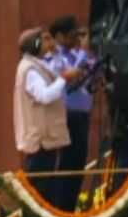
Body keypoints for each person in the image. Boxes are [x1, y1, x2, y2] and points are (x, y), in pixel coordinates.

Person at [14, 26, 81, 204]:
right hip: (40, 141)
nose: (50, 43)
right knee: (39, 192)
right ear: (35, 44)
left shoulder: (37, 64)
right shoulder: (30, 70)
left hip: (46, 140)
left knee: (47, 190)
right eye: (45, 39)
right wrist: (64, 78)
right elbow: (44, 96)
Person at [45, 16, 96, 211]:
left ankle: (70, 208)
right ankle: (59, 209)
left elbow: (91, 72)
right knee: (65, 168)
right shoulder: (54, 58)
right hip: (65, 117)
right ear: (59, 36)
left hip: (82, 117)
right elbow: (70, 78)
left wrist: (89, 53)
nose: (77, 39)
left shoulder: (77, 55)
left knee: (77, 168)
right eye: (73, 35)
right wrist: (83, 52)